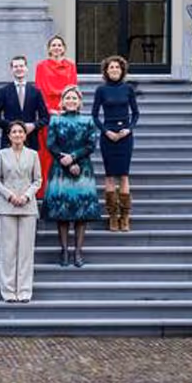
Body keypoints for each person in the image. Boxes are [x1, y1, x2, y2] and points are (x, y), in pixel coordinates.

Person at [43, 86, 101, 267]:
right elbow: (50, 144)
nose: (71, 101)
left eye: (74, 98)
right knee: (62, 212)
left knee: (81, 213)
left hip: (82, 169)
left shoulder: (88, 120)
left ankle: (78, 252)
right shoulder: (55, 120)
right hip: (60, 168)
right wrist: (65, 159)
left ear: (79, 102)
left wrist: (74, 158)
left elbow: (91, 144)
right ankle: (64, 252)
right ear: (62, 101)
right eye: (68, 98)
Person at [0, 121, 42, 303]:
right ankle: (8, 290)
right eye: (14, 132)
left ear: (25, 135)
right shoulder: (2, 154)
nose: (17, 135)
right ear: (9, 136)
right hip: (7, 206)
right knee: (8, 250)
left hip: (27, 206)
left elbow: (37, 180)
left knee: (26, 251)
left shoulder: (33, 154)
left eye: (21, 132)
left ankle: (25, 290)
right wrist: (10, 195)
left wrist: (26, 196)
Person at [92, 55, 139, 232]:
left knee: (124, 175)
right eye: (111, 67)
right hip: (108, 135)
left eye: (117, 68)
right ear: (106, 71)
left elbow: (135, 113)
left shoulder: (128, 89)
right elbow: (95, 115)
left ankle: (125, 217)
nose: (114, 70)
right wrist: (106, 131)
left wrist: (129, 129)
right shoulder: (101, 90)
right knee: (110, 176)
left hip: (125, 136)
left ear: (122, 70)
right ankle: (112, 216)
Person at [34, 34, 78, 195]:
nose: (57, 47)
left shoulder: (71, 66)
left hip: (67, 108)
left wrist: (67, 107)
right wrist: (48, 110)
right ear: (49, 49)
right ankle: (45, 187)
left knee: (67, 147)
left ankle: (64, 186)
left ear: (64, 48)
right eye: (54, 45)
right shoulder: (41, 66)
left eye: (60, 45)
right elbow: (39, 89)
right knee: (47, 151)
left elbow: (73, 88)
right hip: (48, 111)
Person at [0, 55, 50, 150]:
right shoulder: (3, 91)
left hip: (30, 140)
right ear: (11, 69)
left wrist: (34, 125)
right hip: (9, 141)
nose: (19, 69)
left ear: (26, 68)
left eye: (21, 66)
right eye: (16, 66)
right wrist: (10, 126)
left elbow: (46, 118)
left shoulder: (36, 92)